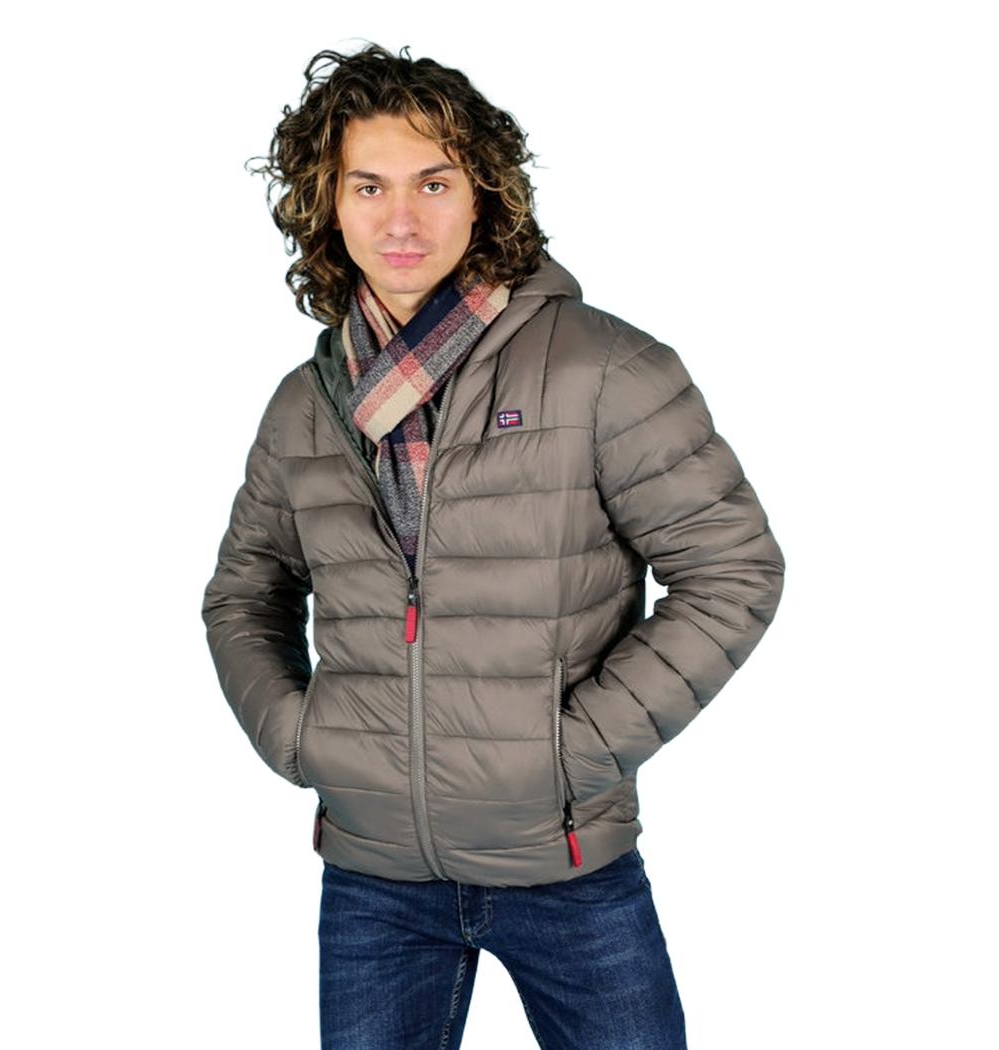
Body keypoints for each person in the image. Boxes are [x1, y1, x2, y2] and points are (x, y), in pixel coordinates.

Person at [203, 43, 784, 1050]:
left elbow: (732, 570)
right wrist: (301, 740)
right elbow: (243, 592)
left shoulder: (602, 368)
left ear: (485, 193)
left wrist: (571, 754)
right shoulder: (308, 403)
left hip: (565, 863)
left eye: (433, 182)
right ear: (327, 205)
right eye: (368, 185)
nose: (401, 218)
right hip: (375, 877)